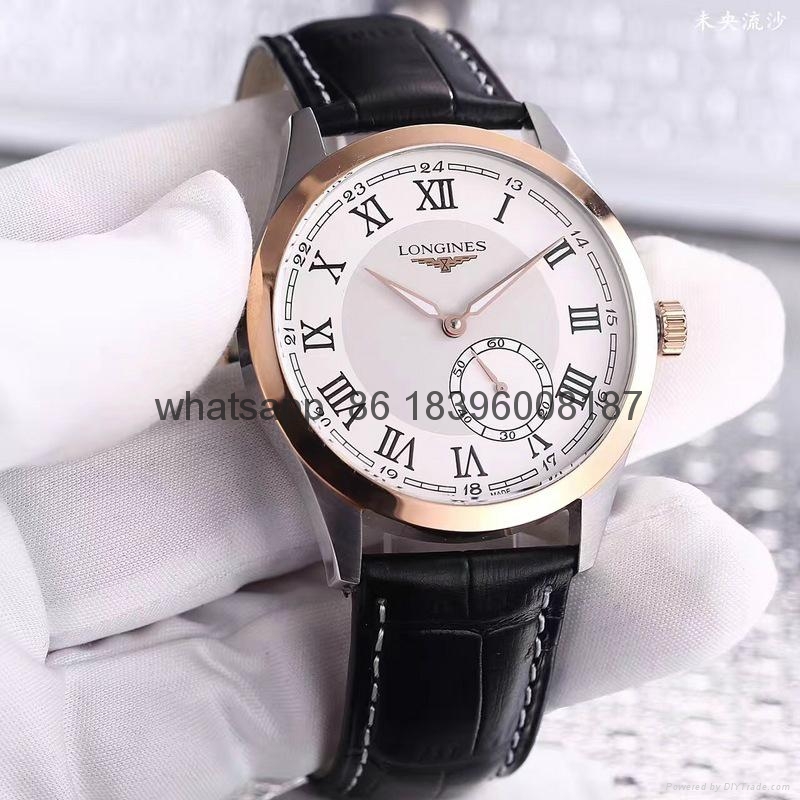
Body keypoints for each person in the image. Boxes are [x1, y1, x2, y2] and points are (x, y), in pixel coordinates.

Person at [0, 93, 783, 799]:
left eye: (460, 321)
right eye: (448, 320)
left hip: (532, 486)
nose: (455, 324)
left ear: (654, 327)